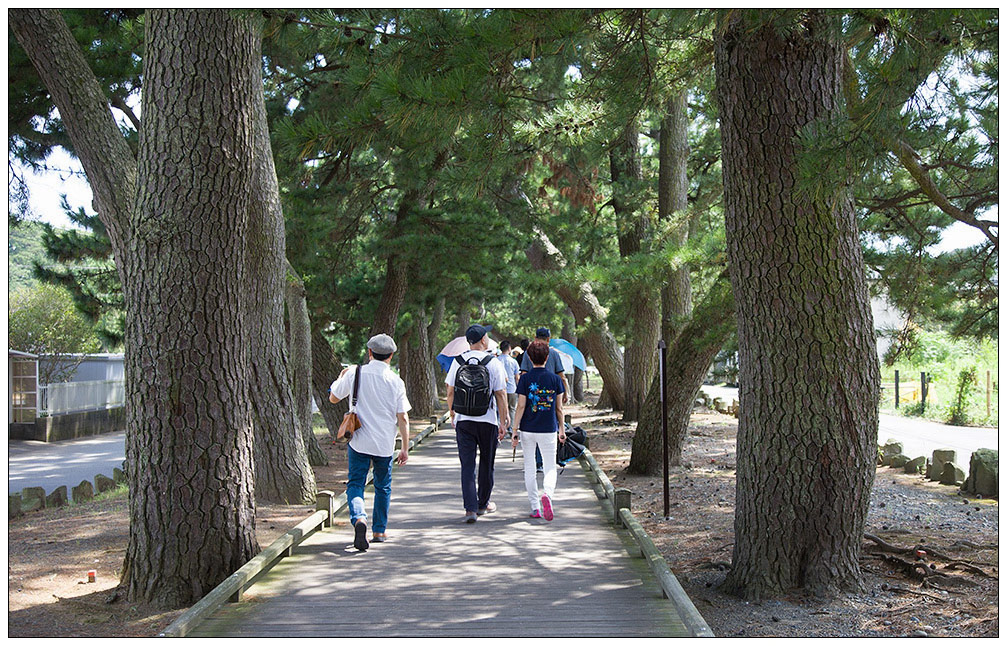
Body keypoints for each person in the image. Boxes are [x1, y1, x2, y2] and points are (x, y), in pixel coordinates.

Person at [330, 333, 411, 551]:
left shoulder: (355, 373)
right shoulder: (396, 381)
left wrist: (341, 376)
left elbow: (333, 397)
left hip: (359, 440)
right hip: (384, 442)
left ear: (369, 353)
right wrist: (404, 447)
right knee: (383, 485)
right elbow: (402, 416)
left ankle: (359, 518)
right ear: (391, 355)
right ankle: (379, 531)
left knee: (356, 483)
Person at [446, 324, 510, 523]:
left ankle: (470, 509)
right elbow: (500, 393)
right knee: (486, 462)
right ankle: (483, 503)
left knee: (467, 465)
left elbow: (450, 391)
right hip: (487, 420)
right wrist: (504, 418)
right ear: (483, 340)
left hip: (464, 420)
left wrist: (452, 413)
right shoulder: (493, 362)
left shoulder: (457, 362)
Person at [512, 339, 566, 520]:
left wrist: (514, 429)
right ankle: (547, 495)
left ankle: (535, 507)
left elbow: (520, 406)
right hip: (548, 429)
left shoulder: (525, 379)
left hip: (527, 429)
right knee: (550, 467)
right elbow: (559, 408)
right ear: (547, 356)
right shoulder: (555, 380)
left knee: (529, 467)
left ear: (528, 356)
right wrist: (562, 429)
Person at [519, 327, 570, 405]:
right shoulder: (554, 354)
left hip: (533, 393)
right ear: (548, 339)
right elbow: (562, 377)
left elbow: (523, 374)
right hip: (550, 393)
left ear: (535, 338)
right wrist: (565, 393)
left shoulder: (527, 353)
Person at [497, 340, 520, 437]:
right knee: (512, 409)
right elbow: (517, 376)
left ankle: (500, 427)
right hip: (512, 388)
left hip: (499, 388)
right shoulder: (513, 361)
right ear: (509, 349)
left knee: (500, 409)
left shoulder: (497, 360)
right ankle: (511, 428)